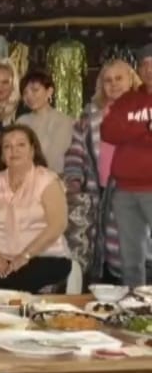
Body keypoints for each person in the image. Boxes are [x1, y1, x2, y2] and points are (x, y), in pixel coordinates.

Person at [63, 59, 144, 283]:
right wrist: (73, 181)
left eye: (119, 78)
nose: (114, 84)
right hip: (99, 194)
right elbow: (75, 153)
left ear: (131, 80)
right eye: (108, 80)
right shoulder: (89, 118)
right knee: (106, 253)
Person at [0, 125, 70, 293]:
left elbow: (58, 225)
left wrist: (25, 256)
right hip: (3, 257)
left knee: (14, 292)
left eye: (21, 144)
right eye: (7, 146)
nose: (14, 151)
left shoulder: (47, 180)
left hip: (43, 257)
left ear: (32, 150)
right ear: (2, 154)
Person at [101, 44, 152, 287]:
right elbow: (108, 132)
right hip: (124, 191)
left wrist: (128, 130)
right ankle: (135, 303)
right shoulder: (128, 100)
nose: (149, 70)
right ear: (138, 71)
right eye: (145, 65)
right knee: (130, 259)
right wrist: (145, 128)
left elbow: (119, 131)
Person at [16, 69, 73, 175]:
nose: (29, 96)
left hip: (52, 178)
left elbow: (53, 158)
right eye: (25, 92)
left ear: (49, 91)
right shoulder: (21, 121)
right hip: (23, 177)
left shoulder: (63, 121)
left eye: (35, 90)